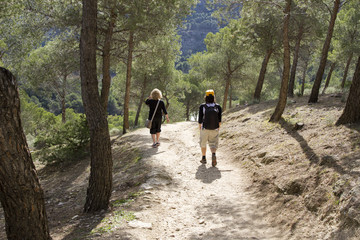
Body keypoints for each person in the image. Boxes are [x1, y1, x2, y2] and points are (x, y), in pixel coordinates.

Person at [198, 89, 222, 167]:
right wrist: (218, 128)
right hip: (214, 128)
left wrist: (200, 128)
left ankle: (204, 158)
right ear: (214, 97)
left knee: (203, 143)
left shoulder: (202, 106)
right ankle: (213, 154)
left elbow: (200, 120)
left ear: (205, 97)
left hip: (204, 128)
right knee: (213, 144)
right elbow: (219, 120)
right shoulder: (218, 106)